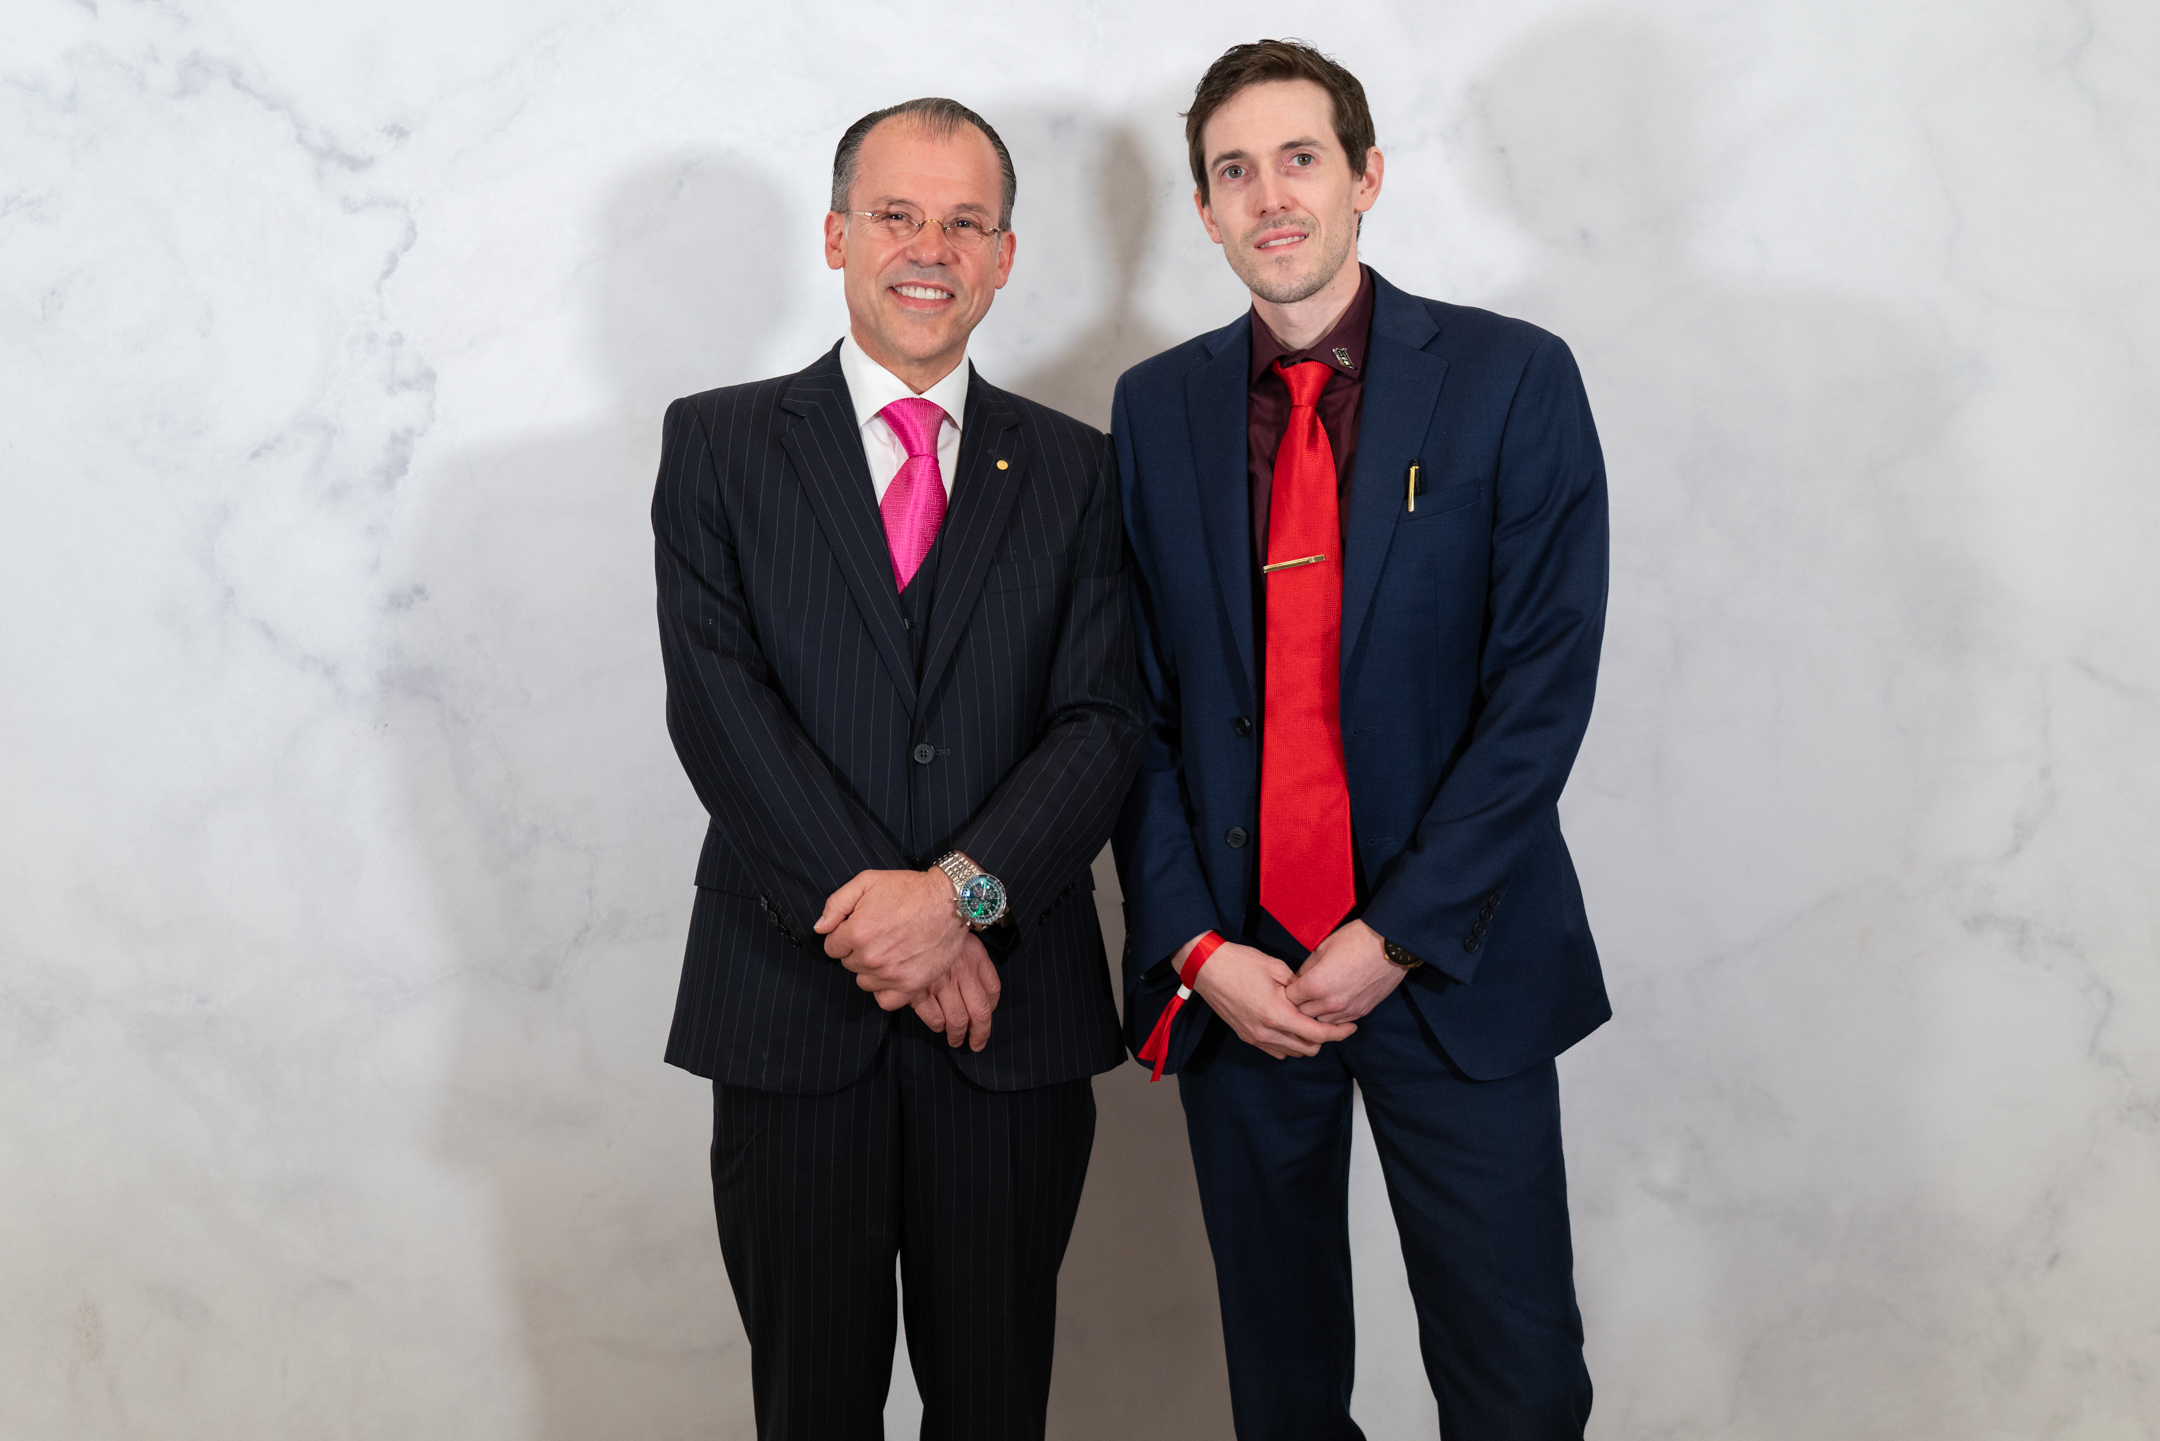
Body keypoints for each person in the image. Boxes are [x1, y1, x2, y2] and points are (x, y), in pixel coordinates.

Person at [1111, 40, 1611, 1439]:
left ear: (1365, 176)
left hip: (1454, 964)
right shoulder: (1153, 411)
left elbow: (1540, 693)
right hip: (1243, 982)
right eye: (1234, 170)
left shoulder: (1514, 378)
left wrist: (1393, 934)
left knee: (1518, 1389)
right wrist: (1196, 949)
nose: (1270, 195)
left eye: (1301, 158)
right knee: (1281, 1402)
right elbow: (1128, 708)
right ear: (1204, 210)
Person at [651, 96, 1142, 1440]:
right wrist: (890, 924)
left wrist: (962, 900)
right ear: (837, 236)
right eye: (898, 215)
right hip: (790, 1011)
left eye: (966, 223)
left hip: (1009, 1025)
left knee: (995, 1410)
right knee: (811, 1410)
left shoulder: (1080, 472)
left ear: (1004, 257)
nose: (931, 248)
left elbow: (1104, 721)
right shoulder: (719, 444)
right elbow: (718, 707)